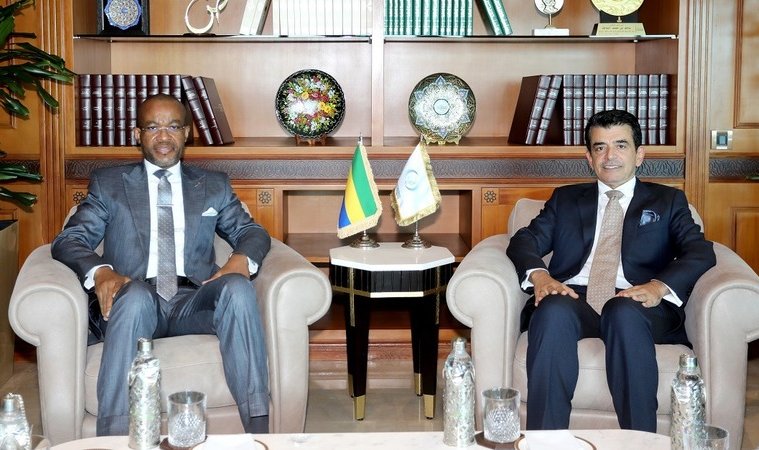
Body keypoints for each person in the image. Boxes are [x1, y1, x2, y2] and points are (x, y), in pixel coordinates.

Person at [52, 94, 271, 435]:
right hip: (136, 298)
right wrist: (101, 272)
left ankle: (260, 432)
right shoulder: (109, 184)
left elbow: (251, 232)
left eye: (173, 127)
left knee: (238, 288)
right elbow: (69, 239)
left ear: (186, 133)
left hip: (192, 300)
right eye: (153, 127)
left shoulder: (213, 185)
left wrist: (241, 258)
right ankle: (112, 439)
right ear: (137, 134)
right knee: (136, 297)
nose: (164, 137)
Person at [506, 109, 716, 432]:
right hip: (576, 298)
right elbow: (524, 240)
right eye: (600, 147)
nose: (610, 156)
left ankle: (639, 441)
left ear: (639, 154)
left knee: (623, 311)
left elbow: (699, 250)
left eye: (620, 145)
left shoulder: (668, 201)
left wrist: (659, 286)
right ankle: (546, 441)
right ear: (589, 158)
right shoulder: (565, 199)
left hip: (639, 303)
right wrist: (540, 276)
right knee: (552, 308)